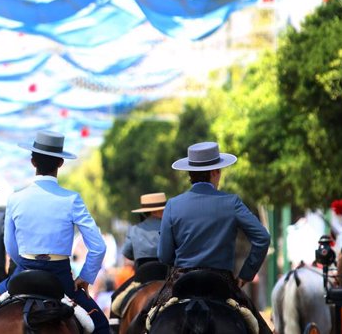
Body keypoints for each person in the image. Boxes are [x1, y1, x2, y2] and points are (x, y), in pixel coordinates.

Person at [0, 130, 110, 334]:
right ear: (60, 163)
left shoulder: (15, 199)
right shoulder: (71, 199)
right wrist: (85, 277)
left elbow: (11, 247)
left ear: (33, 161)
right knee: (101, 325)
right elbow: (98, 246)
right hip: (60, 278)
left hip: (23, 272)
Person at [151, 141, 272, 333]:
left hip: (182, 279)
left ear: (190, 173)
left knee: (147, 322)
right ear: (215, 172)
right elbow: (262, 238)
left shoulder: (173, 205)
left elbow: (164, 256)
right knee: (261, 329)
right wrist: (245, 275)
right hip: (222, 282)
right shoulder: (232, 202)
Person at [111, 193, 167, 307]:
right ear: (155, 211)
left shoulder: (134, 229)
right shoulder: (170, 226)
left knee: (115, 299)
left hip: (142, 277)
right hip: (167, 275)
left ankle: (114, 323)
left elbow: (127, 254)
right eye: (163, 210)